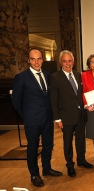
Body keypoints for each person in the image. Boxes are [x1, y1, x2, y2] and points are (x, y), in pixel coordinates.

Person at [12, 48, 62, 187]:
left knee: (48, 145)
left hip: (47, 118)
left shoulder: (47, 75)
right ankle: (34, 174)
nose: (36, 62)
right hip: (32, 121)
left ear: (42, 60)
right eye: (33, 59)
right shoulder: (21, 78)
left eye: (39, 58)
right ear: (28, 60)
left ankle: (47, 168)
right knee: (33, 148)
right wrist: (27, 115)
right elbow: (16, 100)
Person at [50, 50, 94, 178]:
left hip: (80, 114)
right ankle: (70, 165)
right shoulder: (55, 77)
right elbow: (53, 100)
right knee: (67, 142)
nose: (67, 63)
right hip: (65, 116)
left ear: (73, 62)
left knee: (81, 140)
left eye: (69, 61)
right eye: (64, 61)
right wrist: (57, 118)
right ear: (60, 62)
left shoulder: (78, 75)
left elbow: (80, 95)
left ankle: (81, 160)